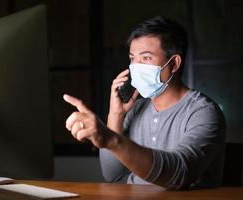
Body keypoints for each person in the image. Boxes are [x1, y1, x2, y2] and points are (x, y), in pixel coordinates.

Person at [63, 16, 226, 190]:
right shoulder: (136, 109)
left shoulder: (203, 112)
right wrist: (116, 115)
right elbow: (112, 175)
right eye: (133, 59)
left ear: (175, 63)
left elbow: (180, 173)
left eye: (146, 58)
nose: (136, 67)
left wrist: (110, 139)